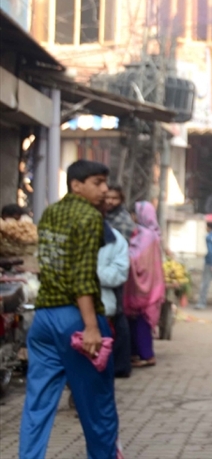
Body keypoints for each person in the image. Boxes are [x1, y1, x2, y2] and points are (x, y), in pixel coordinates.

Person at [18, 159, 120, 459]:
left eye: (105, 183)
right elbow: (82, 275)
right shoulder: (89, 217)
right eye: (97, 183)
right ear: (76, 185)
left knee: (37, 403)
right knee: (97, 405)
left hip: (45, 318)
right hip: (76, 319)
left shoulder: (50, 213)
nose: (104, 190)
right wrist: (90, 326)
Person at [123, 201, 165, 369]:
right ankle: (137, 354)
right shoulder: (155, 234)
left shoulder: (145, 235)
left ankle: (146, 355)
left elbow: (136, 258)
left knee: (139, 320)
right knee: (139, 320)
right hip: (152, 284)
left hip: (140, 285)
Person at [101, 185, 134, 376]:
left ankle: (120, 364)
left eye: (114, 198)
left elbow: (120, 256)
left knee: (117, 316)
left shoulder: (121, 222)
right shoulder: (108, 218)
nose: (110, 201)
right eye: (108, 198)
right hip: (108, 274)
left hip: (113, 275)